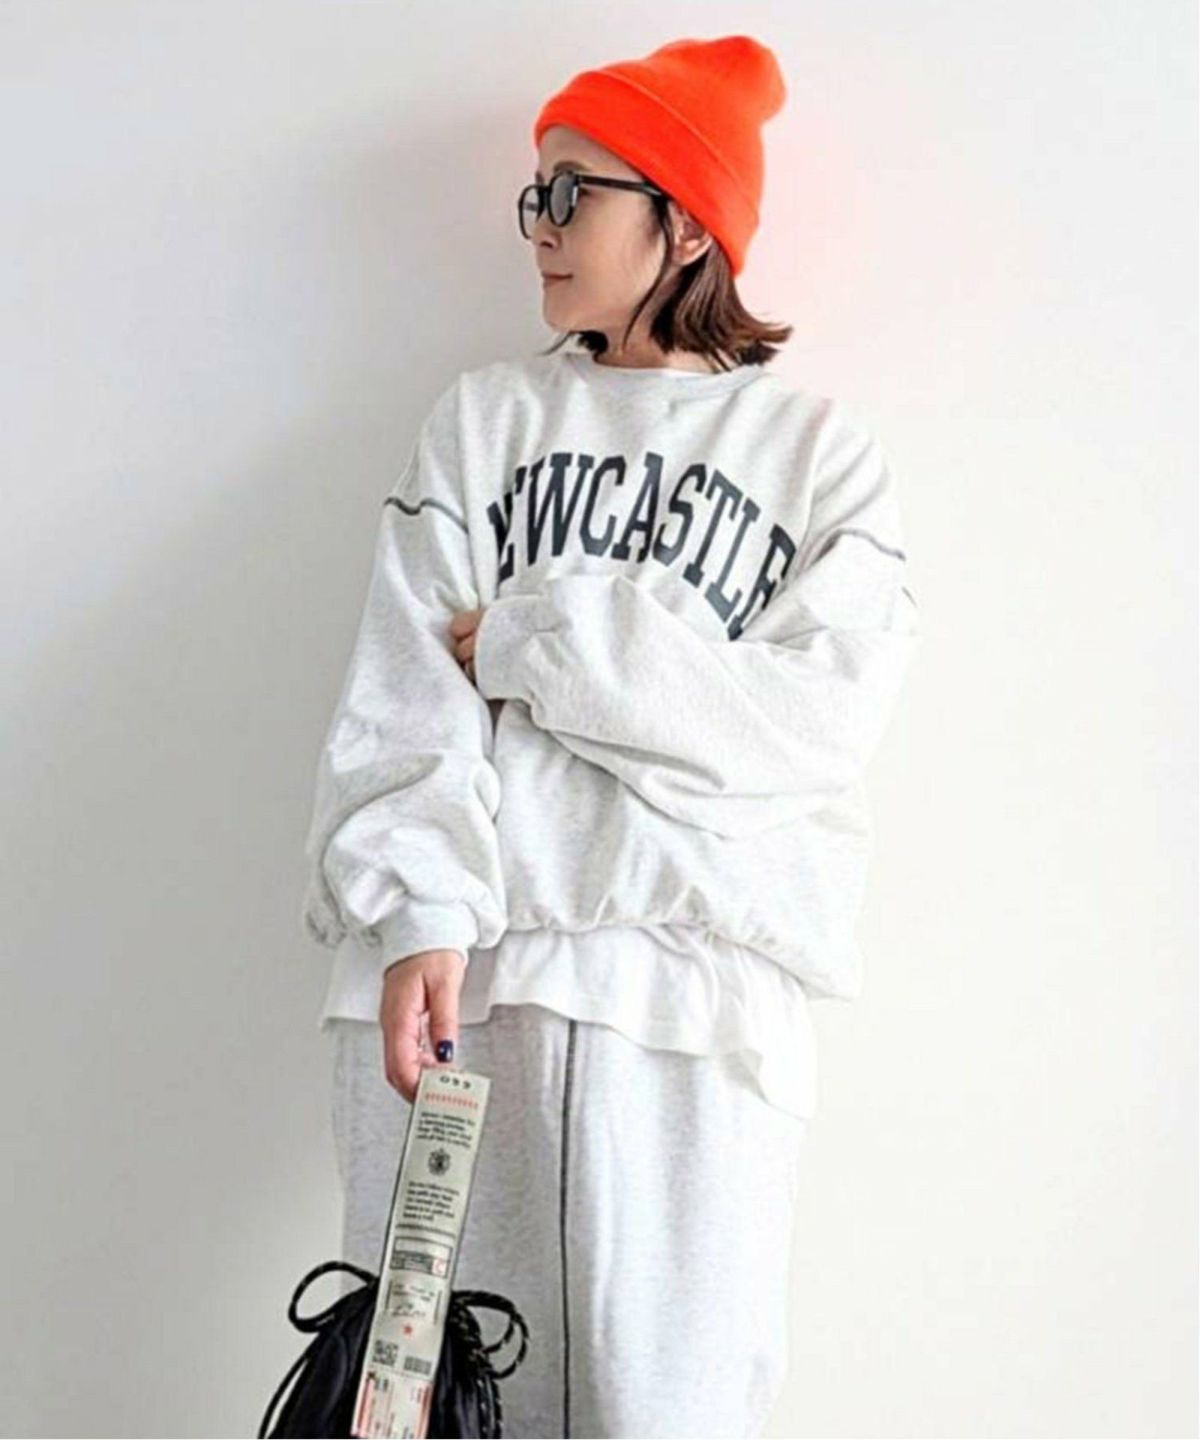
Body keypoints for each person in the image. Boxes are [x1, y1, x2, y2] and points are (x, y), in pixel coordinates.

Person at [301, 35, 920, 1440]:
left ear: (686, 223)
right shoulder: (485, 424)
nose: (541, 225)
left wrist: (536, 642)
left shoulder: (818, 458)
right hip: (464, 981)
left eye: (574, 192)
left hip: (691, 1005)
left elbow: (805, 728)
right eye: (537, 193)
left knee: (672, 1406)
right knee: (430, 1409)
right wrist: (417, 910)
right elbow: (402, 688)